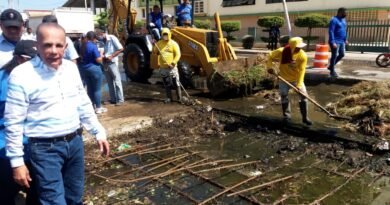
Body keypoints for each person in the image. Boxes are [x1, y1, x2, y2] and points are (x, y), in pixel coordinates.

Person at [4, 23, 110, 205]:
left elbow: (83, 103)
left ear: (65, 46)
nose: (53, 50)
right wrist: (17, 162)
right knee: (53, 200)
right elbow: (13, 122)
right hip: (45, 149)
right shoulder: (21, 75)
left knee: (74, 197)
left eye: (58, 45)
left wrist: (98, 132)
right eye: (47, 45)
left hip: (75, 142)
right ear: (37, 46)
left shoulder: (70, 68)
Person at [0, 40, 39, 205]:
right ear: (20, 59)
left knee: (35, 192)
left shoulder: (33, 76)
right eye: (32, 59)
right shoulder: (6, 79)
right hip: (8, 146)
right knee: (6, 192)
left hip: (32, 145)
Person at [267, 37, 312, 126]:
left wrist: (299, 84)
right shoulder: (281, 51)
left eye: (300, 47)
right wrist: (269, 67)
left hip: (296, 79)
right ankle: (287, 116)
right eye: (298, 47)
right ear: (292, 46)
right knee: (284, 95)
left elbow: (302, 70)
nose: (300, 48)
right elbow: (270, 56)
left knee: (304, 96)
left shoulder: (302, 55)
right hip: (283, 78)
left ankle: (305, 118)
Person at [79, 31, 107, 114]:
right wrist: (101, 55)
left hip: (84, 69)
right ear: (94, 38)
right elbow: (98, 60)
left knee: (89, 89)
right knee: (97, 90)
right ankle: (98, 107)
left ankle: (91, 106)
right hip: (94, 69)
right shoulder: (93, 46)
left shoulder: (82, 46)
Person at [152, 28, 182, 103]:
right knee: (166, 82)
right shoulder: (159, 43)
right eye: (164, 35)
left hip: (172, 67)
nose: (165, 36)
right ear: (162, 35)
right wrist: (154, 44)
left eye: (166, 34)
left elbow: (178, 54)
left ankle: (179, 98)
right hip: (163, 68)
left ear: (169, 35)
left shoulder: (174, 44)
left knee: (176, 83)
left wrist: (173, 63)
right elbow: (155, 51)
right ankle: (169, 98)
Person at [96, 29, 125, 106]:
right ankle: (113, 99)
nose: (99, 37)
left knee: (117, 81)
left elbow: (121, 48)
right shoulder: (102, 42)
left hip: (112, 62)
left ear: (103, 33)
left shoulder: (112, 38)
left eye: (99, 34)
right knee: (109, 82)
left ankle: (120, 100)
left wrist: (112, 56)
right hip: (105, 62)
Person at [328, 7, 348, 78]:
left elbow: (345, 30)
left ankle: (331, 66)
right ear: (340, 12)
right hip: (335, 41)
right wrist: (332, 42)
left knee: (342, 54)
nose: (346, 14)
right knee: (334, 56)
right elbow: (331, 31)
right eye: (345, 12)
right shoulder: (334, 20)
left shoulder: (344, 20)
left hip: (342, 41)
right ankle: (332, 71)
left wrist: (346, 39)